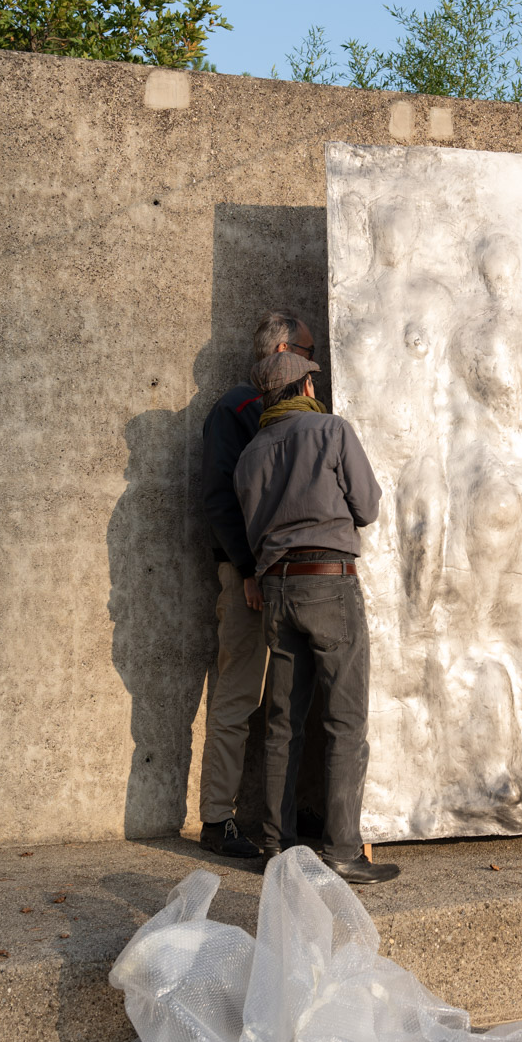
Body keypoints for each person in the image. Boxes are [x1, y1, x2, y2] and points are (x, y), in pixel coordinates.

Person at [234, 352, 398, 884]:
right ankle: (342, 852)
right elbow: (368, 507)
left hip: (276, 590)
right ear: (305, 385)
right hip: (328, 583)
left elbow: (250, 527)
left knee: (282, 724)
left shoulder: (250, 453)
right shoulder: (331, 430)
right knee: (345, 722)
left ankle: (277, 852)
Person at [198, 309, 323, 859]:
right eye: (307, 352)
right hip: (253, 575)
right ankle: (216, 819)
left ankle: (291, 813)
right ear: (282, 354)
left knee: (291, 698)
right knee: (240, 692)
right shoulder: (236, 409)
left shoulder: (299, 417)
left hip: (293, 576)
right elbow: (221, 499)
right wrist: (247, 570)